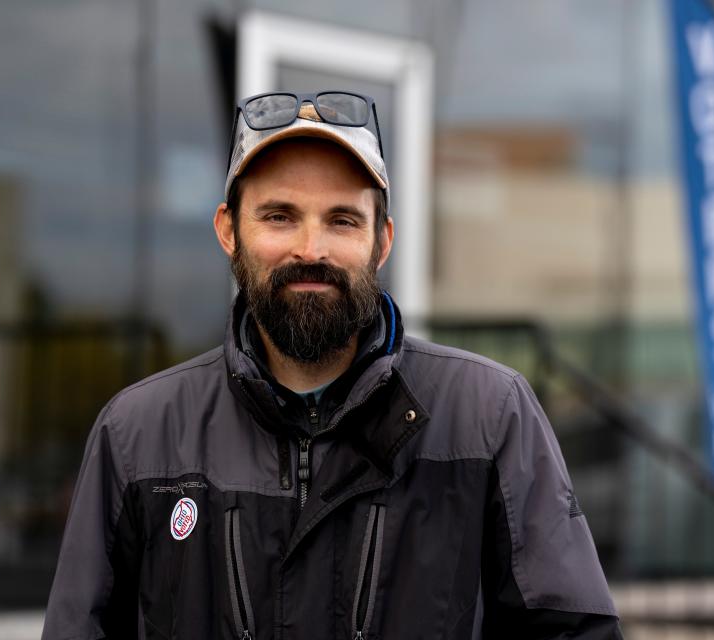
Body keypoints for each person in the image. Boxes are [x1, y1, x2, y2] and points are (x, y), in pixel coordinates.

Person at [42, 91, 623, 640]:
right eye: (278, 216)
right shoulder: (138, 433)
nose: (311, 249)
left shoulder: (490, 417)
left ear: (382, 241)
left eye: (342, 220)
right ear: (228, 231)